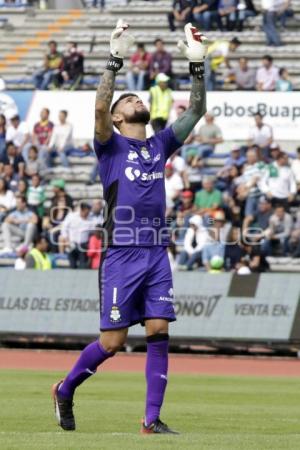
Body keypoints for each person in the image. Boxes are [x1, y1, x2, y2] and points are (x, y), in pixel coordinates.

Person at [51, 20, 207, 434]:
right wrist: (114, 60)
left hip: (156, 251)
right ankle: (65, 389)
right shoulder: (109, 145)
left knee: (159, 330)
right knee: (113, 343)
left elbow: (195, 111)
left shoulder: (159, 143)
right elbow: (100, 107)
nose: (138, 101)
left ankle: (151, 420)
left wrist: (197, 64)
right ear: (121, 117)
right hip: (121, 252)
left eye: (139, 97)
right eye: (131, 99)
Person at [59, 202, 94, 269]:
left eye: (88, 212)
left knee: (83, 266)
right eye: (86, 212)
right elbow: (64, 228)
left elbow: (94, 231)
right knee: (72, 265)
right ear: (82, 210)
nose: (87, 214)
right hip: (71, 244)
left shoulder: (91, 219)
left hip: (83, 245)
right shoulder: (71, 216)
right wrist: (66, 240)